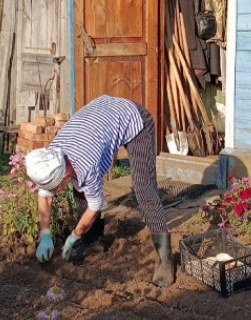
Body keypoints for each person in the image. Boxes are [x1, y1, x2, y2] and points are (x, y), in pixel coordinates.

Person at [24, 95, 175, 287]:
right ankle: (93, 239)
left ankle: (164, 257)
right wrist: (44, 234)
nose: (57, 192)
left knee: (144, 189)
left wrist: (74, 235)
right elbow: (44, 196)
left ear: (63, 176)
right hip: (102, 115)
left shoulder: (86, 165)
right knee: (80, 188)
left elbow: (94, 206)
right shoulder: (51, 156)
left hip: (135, 120)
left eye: (57, 188)